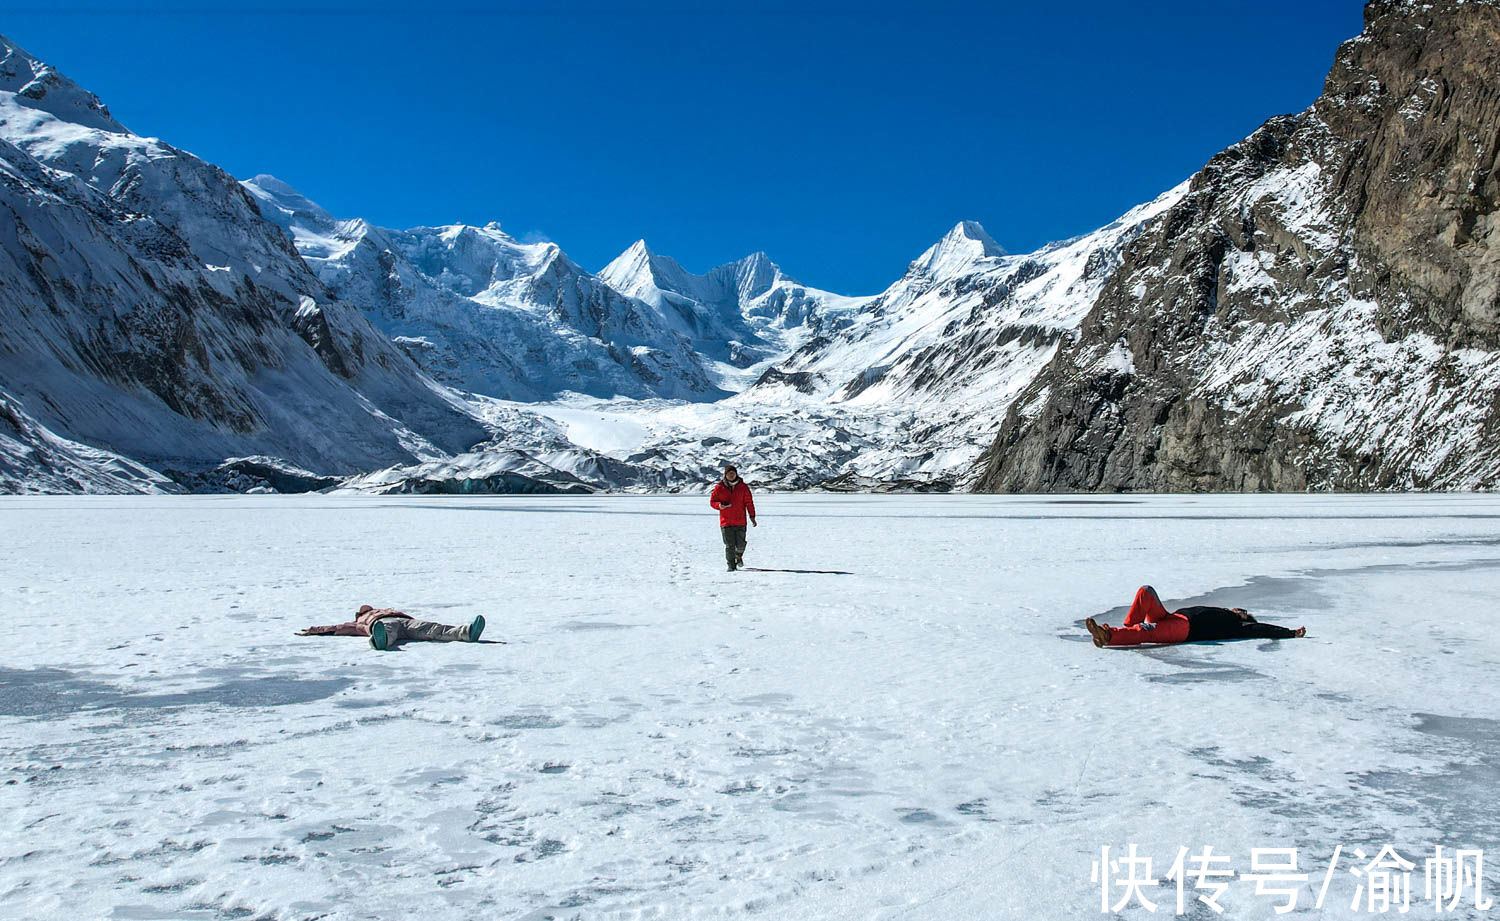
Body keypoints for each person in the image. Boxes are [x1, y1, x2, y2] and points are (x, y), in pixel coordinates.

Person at [1084, 585, 1305, 647]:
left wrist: (1289, 633)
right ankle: (1127, 629)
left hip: (1183, 631)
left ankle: (1110, 636)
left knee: (1146, 631)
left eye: (1243, 612)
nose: (1239, 610)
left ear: (1245, 619)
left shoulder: (1236, 626)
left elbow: (1262, 629)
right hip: (1172, 618)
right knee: (1146, 591)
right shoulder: (1223, 612)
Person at [297, 604, 485, 650]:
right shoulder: (360, 622)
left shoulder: (386, 610)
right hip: (383, 625)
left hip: (405, 621)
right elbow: (337, 628)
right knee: (387, 632)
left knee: (431, 628)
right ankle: (380, 641)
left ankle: (466, 632)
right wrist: (314, 630)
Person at [710, 463, 757, 571]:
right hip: (726, 522)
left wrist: (752, 516)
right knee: (729, 545)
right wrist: (719, 506)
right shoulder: (719, 487)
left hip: (740, 521)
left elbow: (749, 502)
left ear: (736, 474)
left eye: (733, 473)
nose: (731, 475)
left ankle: (738, 556)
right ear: (725, 475)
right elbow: (712, 502)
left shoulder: (743, 487)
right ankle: (731, 566)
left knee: (741, 544)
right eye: (729, 474)